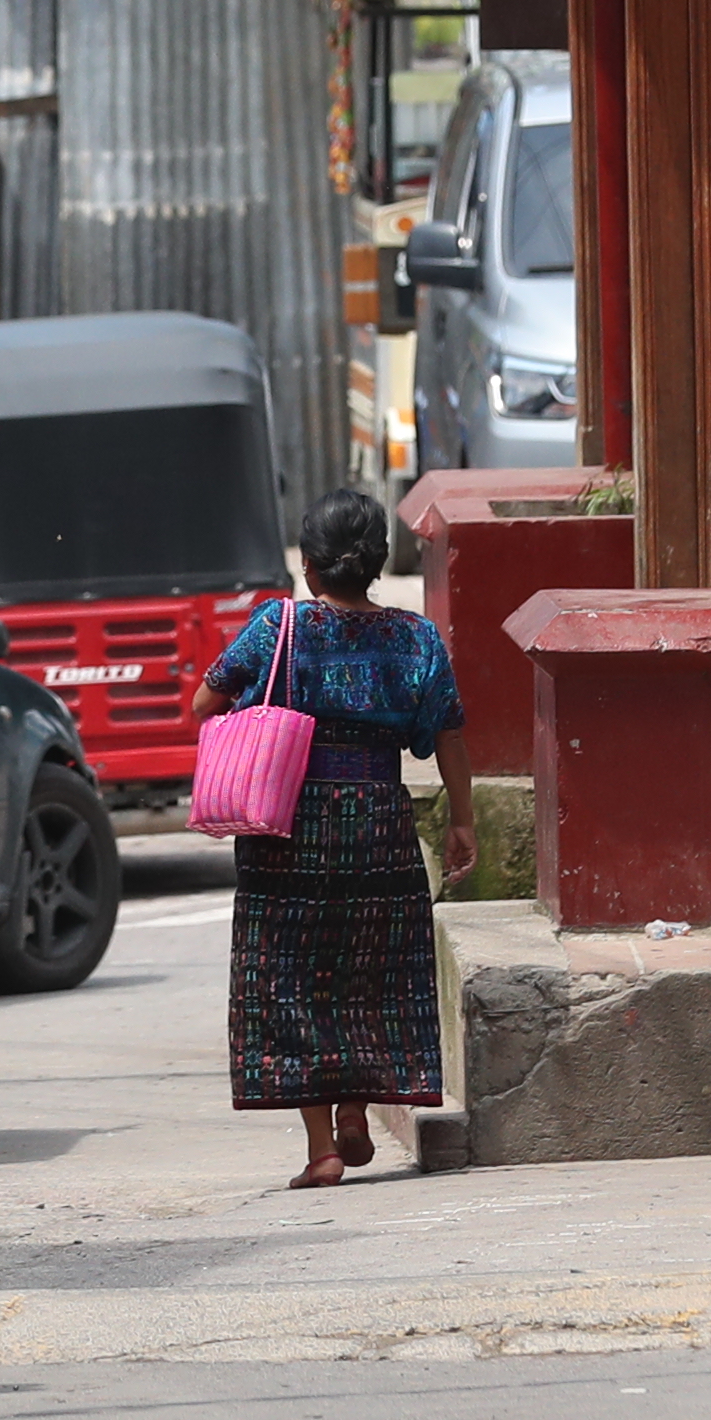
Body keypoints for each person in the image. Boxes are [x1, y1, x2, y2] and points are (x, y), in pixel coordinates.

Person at [198, 486, 473, 1187]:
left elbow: (205, 701)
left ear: (311, 568)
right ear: (376, 565)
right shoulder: (415, 638)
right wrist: (464, 820)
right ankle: (356, 1106)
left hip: (286, 822)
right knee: (371, 974)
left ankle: (323, 1145)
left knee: (290, 978)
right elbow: (444, 732)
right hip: (378, 820)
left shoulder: (276, 625)